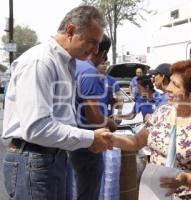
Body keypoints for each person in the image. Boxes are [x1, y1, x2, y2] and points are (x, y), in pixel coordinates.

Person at [2, 6, 113, 200]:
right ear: (70, 31)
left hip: (52, 157)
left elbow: (59, 120)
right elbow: (36, 127)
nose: (96, 50)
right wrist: (89, 138)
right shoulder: (40, 62)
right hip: (34, 159)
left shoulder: (65, 63)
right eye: (92, 42)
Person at [111, 60, 191, 199]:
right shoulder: (163, 112)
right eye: (171, 82)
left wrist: (186, 180)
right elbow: (137, 142)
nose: (168, 88)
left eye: (175, 85)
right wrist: (111, 139)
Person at [69, 34, 118, 200]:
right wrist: (111, 123)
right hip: (88, 144)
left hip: (72, 139)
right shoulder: (90, 71)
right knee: (88, 193)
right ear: (102, 52)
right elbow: (94, 117)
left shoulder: (74, 66)